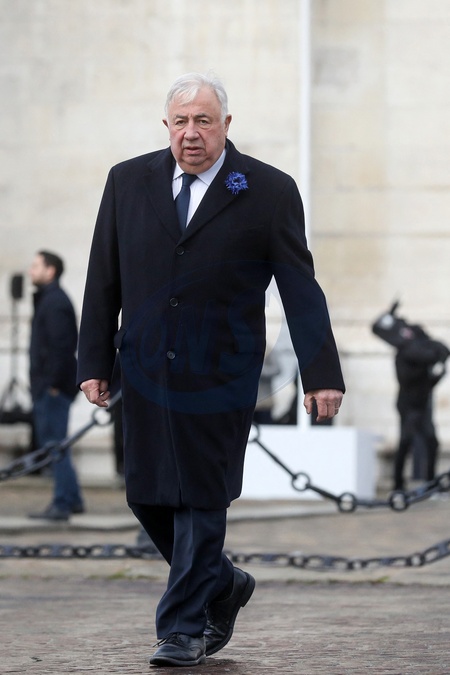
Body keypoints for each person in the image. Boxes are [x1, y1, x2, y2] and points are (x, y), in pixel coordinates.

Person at [77, 72, 345, 667]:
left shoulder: (269, 190)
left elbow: (300, 288)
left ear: (227, 124)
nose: (191, 133)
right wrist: (92, 359)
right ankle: (225, 583)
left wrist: (321, 372)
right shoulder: (126, 181)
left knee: (201, 496)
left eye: (203, 120)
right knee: (147, 495)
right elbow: (103, 276)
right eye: (181, 121)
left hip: (221, 374)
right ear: (166, 126)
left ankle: (182, 628)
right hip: (143, 370)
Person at [28, 251, 84, 521]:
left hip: (53, 389)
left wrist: (50, 384)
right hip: (49, 386)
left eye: (36, 266)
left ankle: (62, 503)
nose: (31, 270)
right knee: (56, 444)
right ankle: (73, 499)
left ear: (50, 271)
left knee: (55, 446)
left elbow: (62, 347)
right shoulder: (49, 300)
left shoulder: (55, 302)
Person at [372, 304, 449, 490]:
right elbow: (408, 379)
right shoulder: (404, 354)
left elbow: (440, 352)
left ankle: (430, 483)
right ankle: (398, 484)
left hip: (422, 403)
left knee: (431, 441)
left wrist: (437, 373)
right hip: (408, 405)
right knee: (406, 441)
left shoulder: (421, 351)